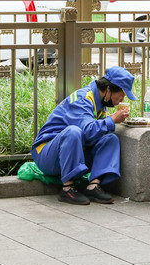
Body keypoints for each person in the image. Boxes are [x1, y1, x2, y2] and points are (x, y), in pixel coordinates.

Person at [31, 66, 136, 205]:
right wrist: (112, 120)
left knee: (110, 139)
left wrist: (109, 121)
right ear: (109, 89)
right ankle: (67, 188)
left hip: (73, 152)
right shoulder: (83, 99)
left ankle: (93, 186)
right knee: (73, 131)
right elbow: (86, 131)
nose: (121, 99)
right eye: (121, 94)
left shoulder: (101, 102)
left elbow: (92, 135)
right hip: (47, 154)